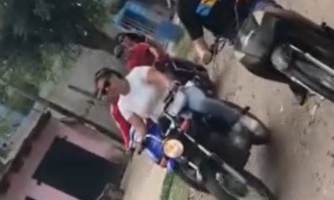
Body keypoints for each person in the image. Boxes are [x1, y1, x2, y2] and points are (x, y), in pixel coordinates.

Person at [151, 0, 334, 106]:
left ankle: (323, 32)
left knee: (282, 15)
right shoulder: (183, 9)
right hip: (237, 34)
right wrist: (204, 53)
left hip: (251, 7)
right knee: (252, 64)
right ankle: (293, 80)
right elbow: (197, 39)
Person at [93, 65, 241, 152]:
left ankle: (238, 118)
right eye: (104, 91)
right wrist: (139, 142)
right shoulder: (122, 106)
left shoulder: (136, 74)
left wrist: (169, 84)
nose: (108, 89)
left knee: (202, 104)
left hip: (179, 98)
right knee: (176, 150)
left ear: (114, 75)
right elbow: (139, 127)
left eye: (107, 84)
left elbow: (158, 77)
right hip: (168, 120)